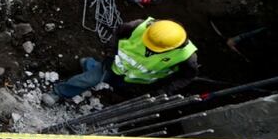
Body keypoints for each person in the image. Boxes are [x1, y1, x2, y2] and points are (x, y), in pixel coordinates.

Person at [54, 18, 198, 98]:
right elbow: (117, 33)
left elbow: (186, 77)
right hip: (114, 65)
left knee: (112, 83)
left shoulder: (187, 57)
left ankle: (89, 64)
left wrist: (164, 91)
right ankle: (59, 92)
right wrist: (110, 53)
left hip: (134, 80)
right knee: (88, 80)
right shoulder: (140, 26)